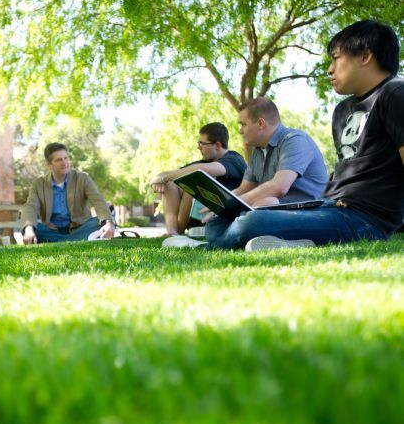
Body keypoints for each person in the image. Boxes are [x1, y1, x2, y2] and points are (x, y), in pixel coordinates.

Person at [169, 20, 404, 251]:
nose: (329, 69)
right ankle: (288, 242)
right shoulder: (342, 110)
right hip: (330, 206)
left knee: (250, 223)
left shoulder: (395, 94)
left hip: (366, 219)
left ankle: (205, 248)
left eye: (336, 58)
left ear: (365, 56)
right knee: (222, 218)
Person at [164, 97, 328, 248]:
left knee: (264, 205)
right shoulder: (258, 151)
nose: (240, 131)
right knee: (215, 223)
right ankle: (273, 241)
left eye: (243, 124)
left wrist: (234, 204)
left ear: (261, 123)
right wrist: (222, 207)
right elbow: (243, 189)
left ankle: (206, 246)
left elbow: (279, 187)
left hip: (306, 214)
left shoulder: (294, 140)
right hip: (270, 211)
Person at [150, 122, 247, 236]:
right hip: (202, 215)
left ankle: (177, 233)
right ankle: (171, 231)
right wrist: (158, 179)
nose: (198, 148)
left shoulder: (234, 159)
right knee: (171, 183)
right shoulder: (207, 161)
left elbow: (201, 170)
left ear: (217, 145)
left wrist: (164, 178)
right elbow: (176, 173)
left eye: (202, 144)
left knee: (193, 181)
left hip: (226, 216)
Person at [21, 142, 116, 244]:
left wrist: (109, 223)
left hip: (80, 228)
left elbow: (98, 200)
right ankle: (77, 241)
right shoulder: (39, 184)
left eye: (66, 158)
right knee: (32, 227)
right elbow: (30, 207)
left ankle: (59, 243)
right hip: (52, 232)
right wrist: (28, 230)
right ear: (49, 164)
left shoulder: (82, 178)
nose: (64, 163)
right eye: (59, 160)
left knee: (99, 222)